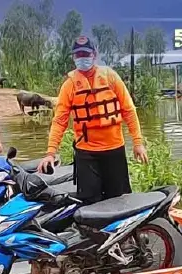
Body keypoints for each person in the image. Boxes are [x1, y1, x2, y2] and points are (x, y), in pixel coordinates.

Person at [37, 35, 148, 204]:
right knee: (90, 203)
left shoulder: (110, 77)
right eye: (78, 54)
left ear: (94, 55)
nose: (82, 58)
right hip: (86, 154)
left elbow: (129, 111)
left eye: (86, 54)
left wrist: (138, 143)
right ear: (73, 57)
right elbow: (59, 121)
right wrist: (50, 153)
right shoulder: (69, 85)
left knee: (119, 201)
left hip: (114, 150)